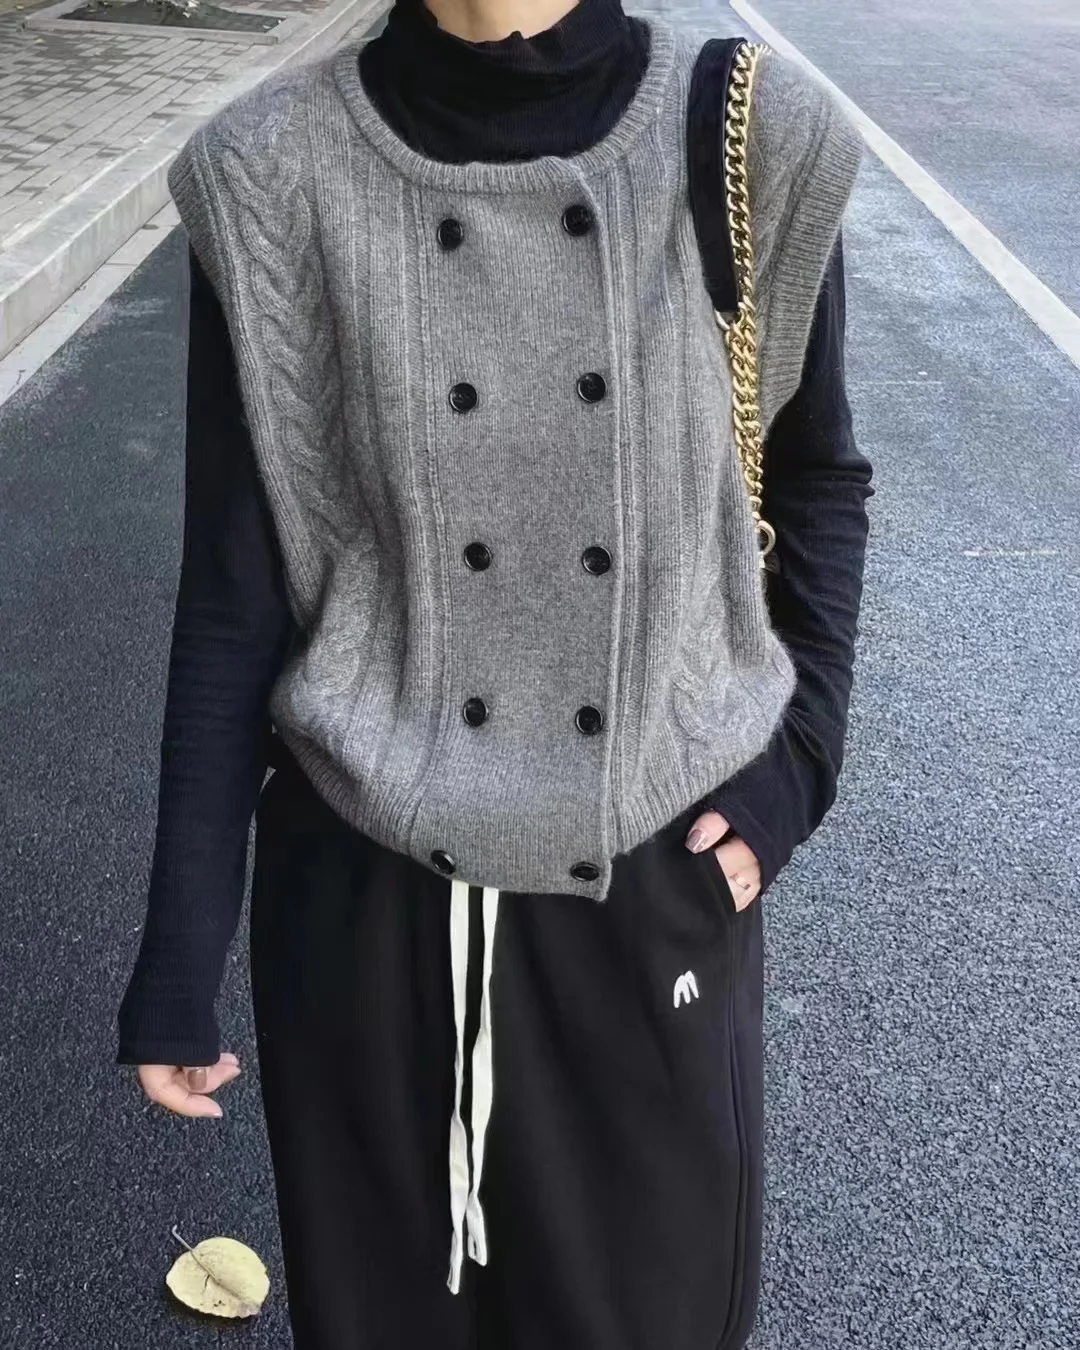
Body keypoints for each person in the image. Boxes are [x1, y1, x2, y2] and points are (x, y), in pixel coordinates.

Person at [115, 0, 873, 1344]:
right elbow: (234, 591)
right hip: (364, 916)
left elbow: (815, 477)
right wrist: (181, 946)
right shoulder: (270, 172)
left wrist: (795, 768)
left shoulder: (743, 135)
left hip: (645, 898)